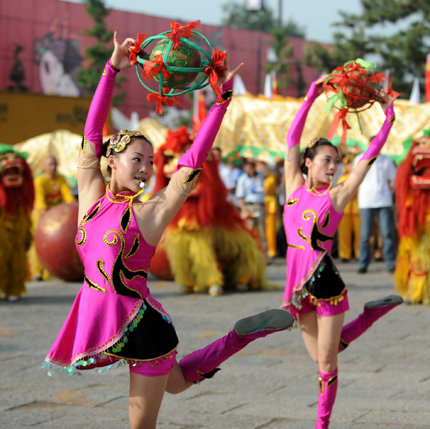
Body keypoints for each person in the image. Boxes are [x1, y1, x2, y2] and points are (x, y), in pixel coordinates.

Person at [42, 33, 294, 429]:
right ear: (110, 160)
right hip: (102, 318)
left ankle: (237, 338)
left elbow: (191, 162)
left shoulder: (151, 213)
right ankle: (238, 338)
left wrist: (221, 103)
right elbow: (91, 133)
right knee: (175, 383)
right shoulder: (90, 199)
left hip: (141, 326)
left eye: (151, 161)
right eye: (136, 159)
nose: (145, 168)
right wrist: (111, 69)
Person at [283, 77, 403, 428]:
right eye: (325, 160)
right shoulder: (292, 185)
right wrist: (309, 96)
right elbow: (292, 137)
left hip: (326, 284)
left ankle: (322, 424)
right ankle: (367, 317)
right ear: (307, 162)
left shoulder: (337, 196)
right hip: (296, 287)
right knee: (323, 353)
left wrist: (389, 116)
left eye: (336, 161)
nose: (333, 167)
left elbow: (369, 157)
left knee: (327, 362)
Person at [30, 155, 75, 280]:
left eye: (54, 164)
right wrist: (45, 214)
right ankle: (37, 271)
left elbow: (68, 197)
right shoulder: (39, 181)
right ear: (44, 166)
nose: (53, 167)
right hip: (42, 217)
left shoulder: (61, 179)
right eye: (50, 164)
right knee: (39, 244)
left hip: (59, 219)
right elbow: (40, 202)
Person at [353, 148, 397, 274]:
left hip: (384, 200)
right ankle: (363, 263)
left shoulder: (386, 160)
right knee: (365, 235)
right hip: (366, 201)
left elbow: (392, 179)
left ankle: (390, 263)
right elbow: (355, 178)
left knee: (387, 233)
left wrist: (386, 190)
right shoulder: (359, 159)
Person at [236, 160, 268, 258]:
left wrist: (259, 159)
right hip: (249, 206)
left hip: (260, 206)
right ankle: (246, 255)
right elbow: (240, 197)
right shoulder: (242, 179)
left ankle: (264, 256)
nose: (251, 170)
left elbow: (267, 172)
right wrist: (244, 210)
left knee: (262, 232)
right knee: (248, 231)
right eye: (249, 168)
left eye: (253, 168)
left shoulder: (260, 176)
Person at [336, 158, 360, 262]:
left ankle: (359, 254)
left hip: (357, 209)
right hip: (344, 210)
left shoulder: (359, 178)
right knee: (344, 233)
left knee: (360, 233)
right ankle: (345, 254)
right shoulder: (342, 178)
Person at [257, 161, 278, 259]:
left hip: (270, 205)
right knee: (259, 228)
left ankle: (271, 250)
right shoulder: (257, 178)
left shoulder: (271, 178)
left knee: (270, 228)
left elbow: (265, 189)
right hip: (260, 203)